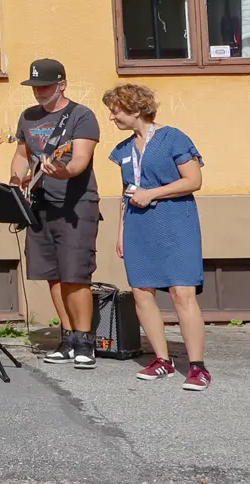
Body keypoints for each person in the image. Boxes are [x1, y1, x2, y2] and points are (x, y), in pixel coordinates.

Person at [103, 84, 210, 391]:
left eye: (116, 111)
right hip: (138, 226)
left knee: (181, 292)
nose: (112, 117)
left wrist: (152, 194)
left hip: (175, 222)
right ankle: (162, 360)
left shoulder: (173, 138)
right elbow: (126, 193)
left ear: (136, 109)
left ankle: (197, 367)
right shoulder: (123, 150)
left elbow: (194, 180)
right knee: (141, 292)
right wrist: (121, 232)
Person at [9, 59, 101, 370]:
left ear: (62, 84)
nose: (38, 92)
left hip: (75, 205)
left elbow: (80, 161)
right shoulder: (28, 117)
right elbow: (22, 155)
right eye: (34, 86)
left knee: (76, 274)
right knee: (53, 274)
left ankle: (85, 341)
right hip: (40, 204)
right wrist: (15, 183)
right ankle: (68, 337)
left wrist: (62, 172)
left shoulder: (81, 116)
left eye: (45, 86)